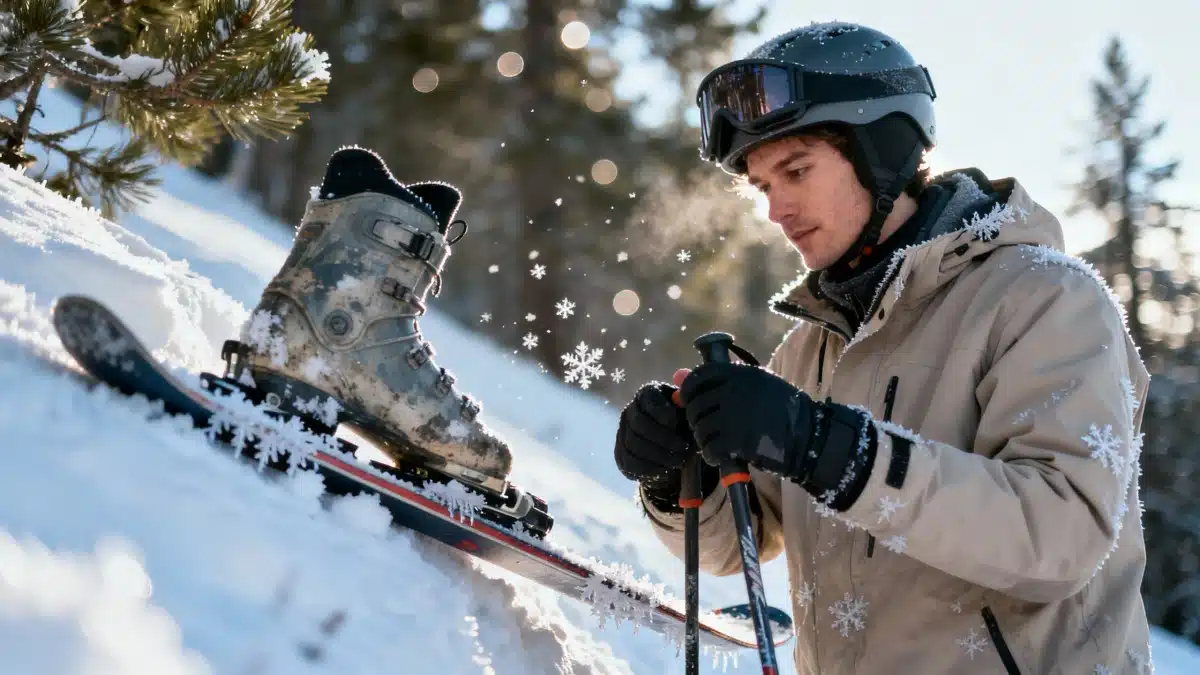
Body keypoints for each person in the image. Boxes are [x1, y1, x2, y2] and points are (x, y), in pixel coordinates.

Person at [613, 21, 1153, 674]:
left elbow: (1061, 536)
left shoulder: (1042, 297)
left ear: (881, 150)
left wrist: (831, 449)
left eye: (796, 170)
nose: (776, 210)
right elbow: (744, 543)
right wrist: (679, 475)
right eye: (763, 186)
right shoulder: (811, 347)